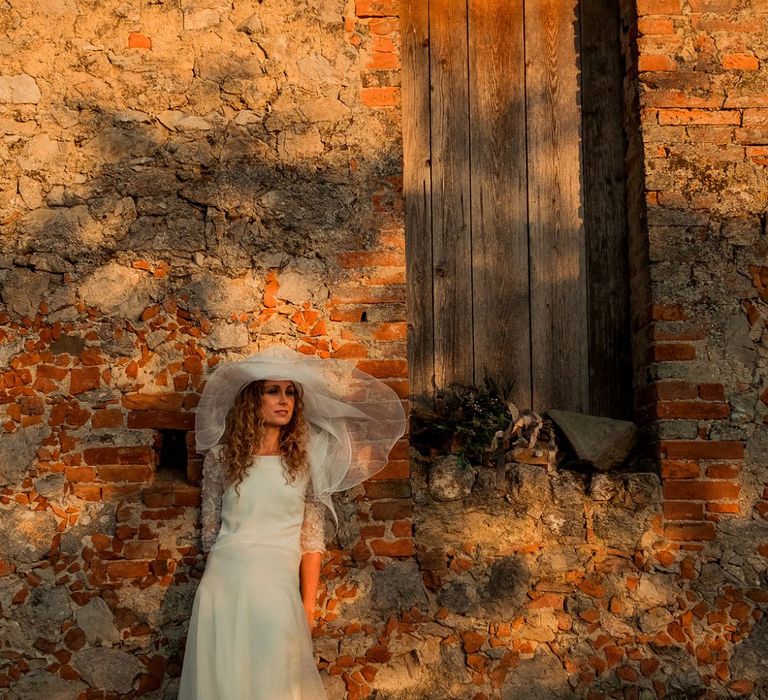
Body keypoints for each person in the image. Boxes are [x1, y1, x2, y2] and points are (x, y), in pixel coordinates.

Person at [178, 345, 406, 699]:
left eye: (290, 393)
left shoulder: (304, 464)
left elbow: (312, 540)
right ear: (253, 399)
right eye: (273, 391)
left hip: (277, 587)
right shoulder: (221, 459)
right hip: (223, 587)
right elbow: (210, 534)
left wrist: (307, 606)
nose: (284, 400)